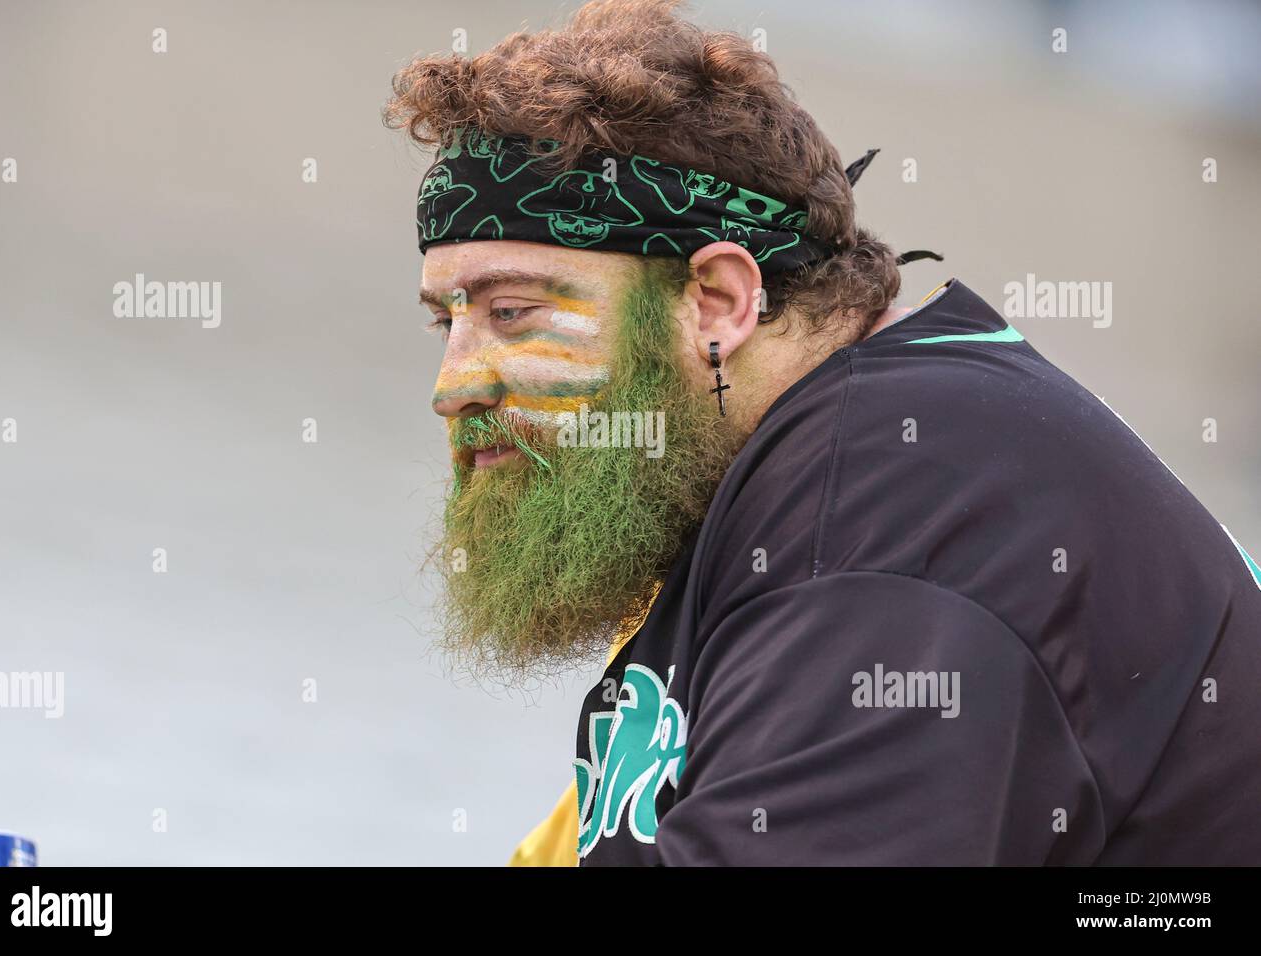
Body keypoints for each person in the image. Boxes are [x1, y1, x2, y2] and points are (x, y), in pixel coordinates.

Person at [385, 0, 1261, 865]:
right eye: (447, 322)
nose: (452, 387)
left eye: (515, 312)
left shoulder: (895, 520)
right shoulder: (781, 476)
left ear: (720, 302)